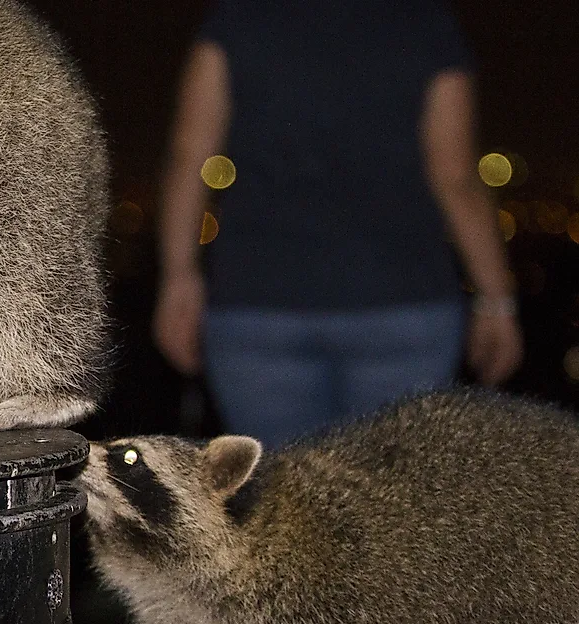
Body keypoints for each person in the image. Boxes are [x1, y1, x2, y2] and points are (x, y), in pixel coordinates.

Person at [154, 0, 523, 448]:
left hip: (259, 305)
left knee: (281, 500)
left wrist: (178, 277)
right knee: (390, 503)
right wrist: (496, 298)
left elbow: (188, 157)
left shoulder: (238, 18)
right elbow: (455, 176)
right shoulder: (424, 22)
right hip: (401, 303)